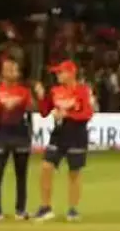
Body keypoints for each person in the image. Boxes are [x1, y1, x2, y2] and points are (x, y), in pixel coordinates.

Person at [33, 60, 94, 222]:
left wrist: (68, 115)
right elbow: (44, 112)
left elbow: (87, 114)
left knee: (74, 172)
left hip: (77, 134)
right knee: (46, 167)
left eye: (61, 72)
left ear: (71, 73)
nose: (58, 75)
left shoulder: (82, 91)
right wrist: (41, 97)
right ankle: (45, 207)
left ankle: (73, 209)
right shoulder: (55, 91)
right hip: (59, 133)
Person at [0, 58, 33, 221]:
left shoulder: (24, 91)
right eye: (10, 69)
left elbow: (32, 110)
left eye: (15, 69)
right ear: (3, 72)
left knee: (21, 175)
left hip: (20, 133)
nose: (14, 72)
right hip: (2, 133)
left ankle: (21, 210)